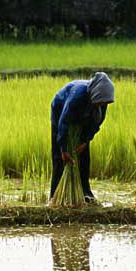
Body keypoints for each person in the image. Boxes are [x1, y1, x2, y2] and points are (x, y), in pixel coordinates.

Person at [50, 72, 115, 202]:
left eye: (105, 102)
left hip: (84, 117)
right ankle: (55, 195)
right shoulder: (77, 97)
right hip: (60, 111)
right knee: (59, 159)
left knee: (84, 156)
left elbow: (98, 121)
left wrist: (86, 140)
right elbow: (64, 122)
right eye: (101, 102)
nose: (103, 104)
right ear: (96, 95)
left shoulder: (102, 102)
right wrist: (63, 149)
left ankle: (85, 192)